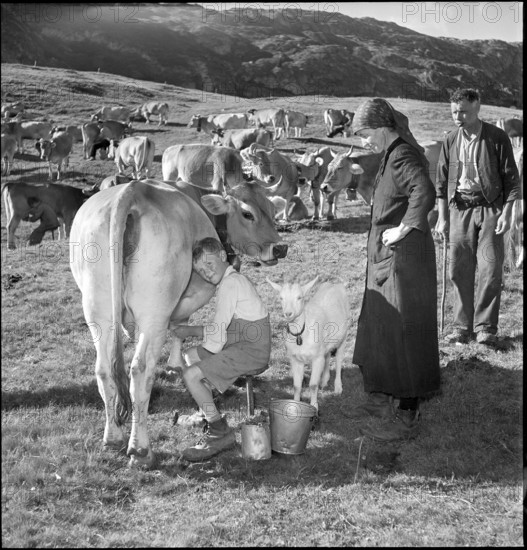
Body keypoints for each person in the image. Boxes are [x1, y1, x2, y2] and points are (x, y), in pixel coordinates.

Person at [349, 97, 440, 442]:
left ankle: (407, 412)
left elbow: (424, 190)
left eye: (365, 134)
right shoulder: (389, 154)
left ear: (382, 127)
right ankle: (383, 397)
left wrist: (403, 228)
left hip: (404, 262)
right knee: (382, 328)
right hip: (387, 260)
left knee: (406, 332)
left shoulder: (401, 154)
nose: (364, 142)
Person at [171, 237, 271, 461]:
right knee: (191, 355)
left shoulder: (230, 284)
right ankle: (206, 409)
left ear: (223, 256)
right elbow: (224, 329)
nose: (206, 272)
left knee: (191, 374)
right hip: (240, 342)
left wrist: (189, 332)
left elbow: (217, 333)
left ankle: (219, 432)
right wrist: (188, 332)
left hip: (250, 351)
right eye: (201, 271)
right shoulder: (231, 281)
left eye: (209, 264)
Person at [436, 88, 520, 345]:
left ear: (477, 107)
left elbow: (511, 180)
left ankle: (486, 328)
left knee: (490, 268)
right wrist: (442, 218)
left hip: (491, 209)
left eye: (463, 111)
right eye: (454, 112)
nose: (458, 116)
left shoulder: (497, 137)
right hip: (459, 209)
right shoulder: (450, 139)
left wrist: (507, 213)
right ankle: (461, 327)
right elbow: (441, 183)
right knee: (458, 269)